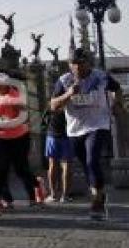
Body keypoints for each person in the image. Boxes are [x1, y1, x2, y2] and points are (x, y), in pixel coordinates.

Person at [51, 48, 124, 220]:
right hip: (75, 129)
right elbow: (53, 105)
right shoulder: (64, 80)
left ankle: (97, 202)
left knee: (92, 159)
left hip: (98, 124)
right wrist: (69, 94)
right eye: (73, 64)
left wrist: (116, 104)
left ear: (88, 63)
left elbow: (117, 88)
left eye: (80, 64)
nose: (77, 68)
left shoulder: (101, 77)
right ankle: (98, 193)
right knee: (87, 165)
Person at [0, 71, 37, 216]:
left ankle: (37, 185)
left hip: (18, 137)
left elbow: (24, 117)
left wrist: (7, 123)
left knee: (20, 168)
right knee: (0, 167)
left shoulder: (14, 96)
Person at [42, 108, 73, 202]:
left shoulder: (50, 106)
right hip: (67, 136)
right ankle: (65, 196)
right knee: (66, 165)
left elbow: (43, 123)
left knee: (52, 164)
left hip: (52, 136)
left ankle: (53, 195)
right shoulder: (69, 106)